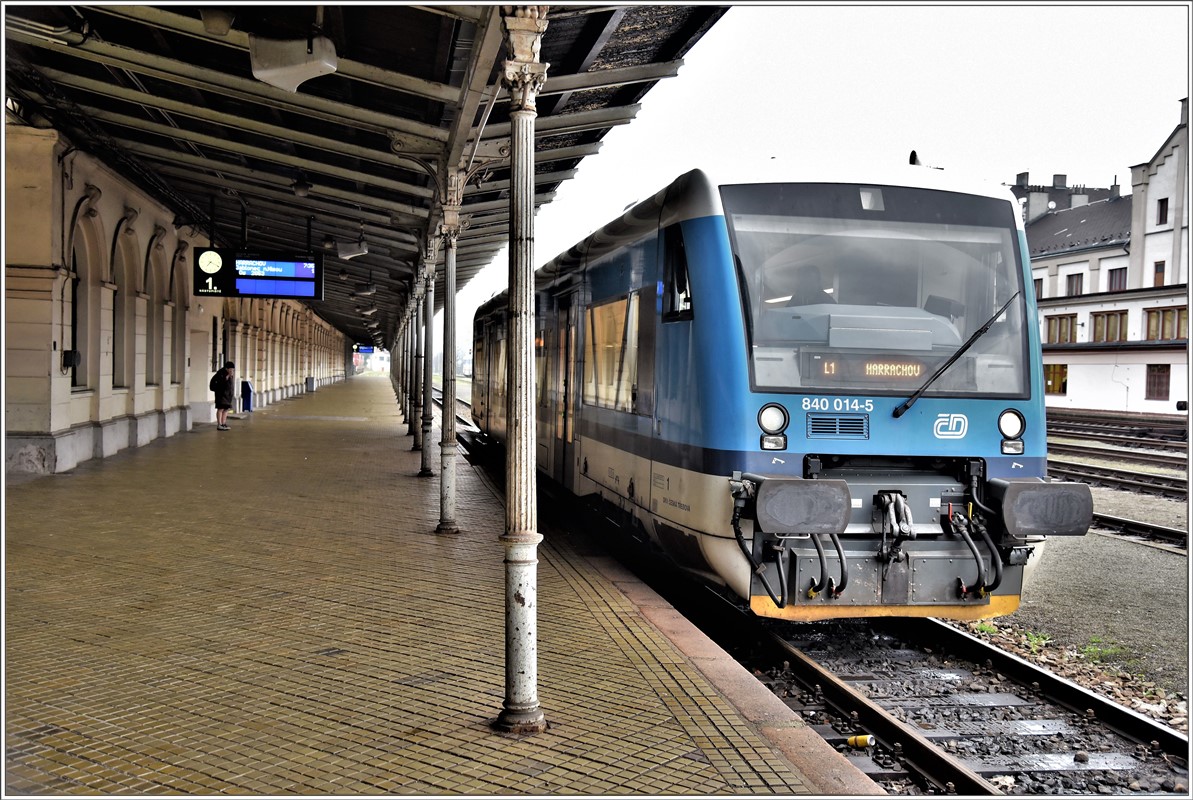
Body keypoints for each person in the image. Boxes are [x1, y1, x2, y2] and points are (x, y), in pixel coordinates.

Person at [211, 361, 235, 431]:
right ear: (227, 368)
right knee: (220, 409)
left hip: (227, 396)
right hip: (221, 395)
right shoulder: (221, 374)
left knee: (226, 409)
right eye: (231, 369)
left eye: (233, 369)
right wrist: (226, 378)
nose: (232, 371)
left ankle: (224, 424)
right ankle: (219, 424)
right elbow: (220, 385)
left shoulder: (229, 374)